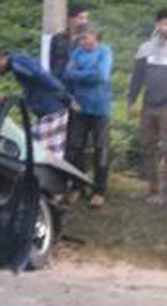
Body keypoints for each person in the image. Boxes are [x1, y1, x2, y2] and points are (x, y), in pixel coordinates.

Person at [62, 25, 113, 208]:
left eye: (86, 37)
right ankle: (78, 186)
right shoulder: (76, 53)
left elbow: (102, 76)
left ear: (95, 36)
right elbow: (66, 75)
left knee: (101, 149)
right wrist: (80, 75)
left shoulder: (105, 52)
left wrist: (77, 74)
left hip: (100, 108)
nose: (84, 41)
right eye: (80, 38)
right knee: (75, 148)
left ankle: (99, 191)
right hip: (79, 107)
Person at [0, 48, 71, 158]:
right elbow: (32, 89)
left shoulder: (17, 63)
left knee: (45, 152)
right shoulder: (18, 64)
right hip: (49, 110)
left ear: (0, 58)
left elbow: (42, 76)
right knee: (46, 149)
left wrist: (62, 93)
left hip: (52, 110)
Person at [127, 8, 167, 206]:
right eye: (165, 23)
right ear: (157, 25)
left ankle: (166, 192)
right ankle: (152, 189)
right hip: (148, 106)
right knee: (148, 147)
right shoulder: (145, 48)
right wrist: (131, 101)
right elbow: (137, 78)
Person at [49, 2, 91, 79]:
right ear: (71, 18)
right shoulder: (57, 39)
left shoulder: (89, 40)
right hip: (61, 83)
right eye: (81, 18)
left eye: (86, 18)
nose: (84, 21)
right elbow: (52, 64)